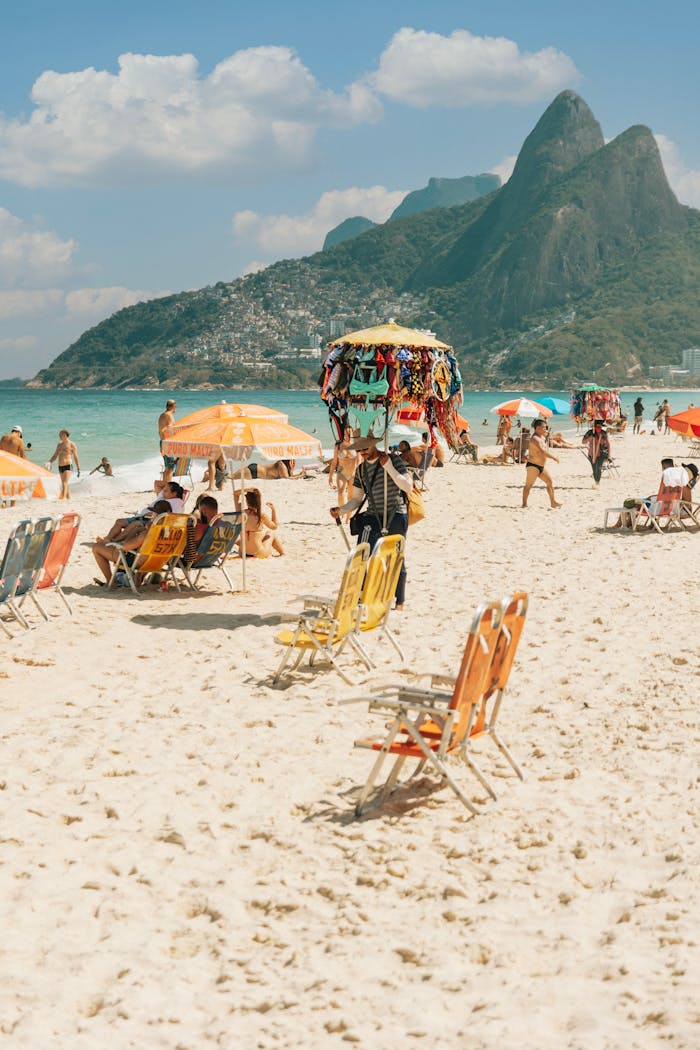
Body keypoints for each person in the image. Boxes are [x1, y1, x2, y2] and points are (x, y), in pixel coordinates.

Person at [330, 437, 411, 610]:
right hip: (373, 515)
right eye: (359, 450)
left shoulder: (394, 459)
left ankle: (400, 601)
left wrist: (388, 465)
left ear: (374, 444)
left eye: (365, 448)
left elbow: (407, 487)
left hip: (396, 513)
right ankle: (361, 594)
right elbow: (357, 499)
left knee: (397, 557)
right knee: (360, 554)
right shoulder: (361, 470)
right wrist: (342, 510)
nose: (363, 452)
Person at [92, 499, 172, 585]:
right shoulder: (174, 532)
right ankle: (137, 578)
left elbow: (125, 547)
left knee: (96, 548)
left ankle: (111, 582)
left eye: (153, 514)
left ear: (156, 515)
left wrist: (131, 534)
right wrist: (139, 529)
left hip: (138, 562)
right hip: (158, 562)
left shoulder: (149, 534)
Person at [97, 481, 185, 543]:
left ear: (174, 494)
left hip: (149, 520)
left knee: (133, 524)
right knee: (119, 521)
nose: (163, 492)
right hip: (144, 516)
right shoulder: (164, 497)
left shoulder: (176, 503)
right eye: (164, 490)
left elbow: (170, 517)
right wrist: (169, 485)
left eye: (166, 491)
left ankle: (113, 541)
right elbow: (157, 483)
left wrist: (152, 514)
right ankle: (108, 539)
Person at [521, 420, 561, 508]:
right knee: (528, 485)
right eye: (544, 427)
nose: (545, 429)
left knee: (549, 482)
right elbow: (542, 452)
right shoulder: (535, 439)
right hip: (533, 466)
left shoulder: (542, 437)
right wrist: (554, 458)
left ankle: (553, 502)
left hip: (541, 466)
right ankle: (524, 504)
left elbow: (542, 449)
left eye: (546, 427)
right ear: (538, 428)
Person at [233, 487, 283, 557]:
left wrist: (247, 490)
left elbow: (235, 493)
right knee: (270, 533)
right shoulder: (261, 516)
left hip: (243, 553)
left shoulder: (240, 513)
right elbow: (274, 527)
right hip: (258, 552)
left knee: (242, 539)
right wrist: (273, 510)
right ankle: (282, 553)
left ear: (246, 501)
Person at [328, 426, 358, 506]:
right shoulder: (338, 446)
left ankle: (348, 518)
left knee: (351, 497)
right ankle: (342, 512)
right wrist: (330, 477)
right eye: (345, 434)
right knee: (340, 493)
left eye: (349, 434)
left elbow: (360, 462)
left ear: (352, 434)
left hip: (352, 475)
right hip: (341, 473)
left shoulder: (356, 446)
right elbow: (334, 462)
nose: (346, 436)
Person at [49, 429, 80, 499]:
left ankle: (63, 498)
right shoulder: (59, 444)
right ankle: (69, 498)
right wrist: (49, 462)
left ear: (65, 435)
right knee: (64, 483)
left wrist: (78, 467)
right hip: (60, 466)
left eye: (60, 434)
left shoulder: (72, 444)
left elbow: (75, 456)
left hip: (68, 465)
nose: (59, 436)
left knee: (64, 483)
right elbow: (55, 455)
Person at [582, 419, 611, 486]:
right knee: (594, 469)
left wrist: (609, 455)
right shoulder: (590, 432)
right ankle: (596, 481)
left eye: (600, 426)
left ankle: (598, 482)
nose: (599, 428)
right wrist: (590, 438)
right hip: (591, 454)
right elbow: (583, 442)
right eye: (597, 426)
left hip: (601, 454)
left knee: (599, 468)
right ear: (594, 426)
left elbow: (608, 444)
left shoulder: (603, 433)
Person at [158, 399, 177, 484]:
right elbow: (172, 429)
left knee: (167, 467)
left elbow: (161, 430)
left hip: (162, 442)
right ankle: (167, 487)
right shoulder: (169, 415)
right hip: (168, 443)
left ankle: (164, 486)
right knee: (171, 468)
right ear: (174, 406)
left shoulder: (162, 415)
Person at [231, 458, 304, 481]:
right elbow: (287, 478)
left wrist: (300, 474)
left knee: (232, 477)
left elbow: (291, 475)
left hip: (256, 472)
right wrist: (300, 476)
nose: (293, 462)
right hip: (254, 471)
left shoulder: (286, 466)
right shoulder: (281, 464)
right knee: (231, 477)